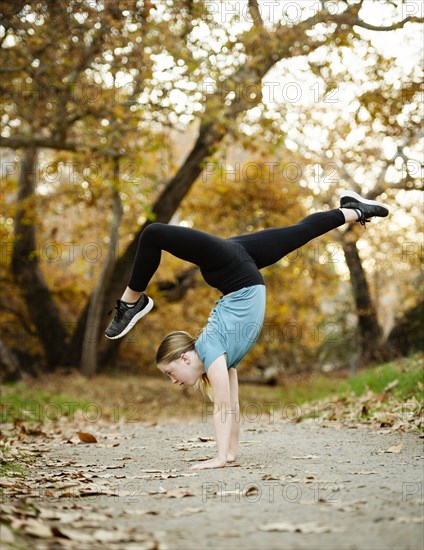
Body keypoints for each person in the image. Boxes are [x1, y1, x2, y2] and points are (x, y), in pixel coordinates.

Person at [105, 190, 389, 469]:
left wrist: (216, 458)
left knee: (153, 232)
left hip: (232, 268)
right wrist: (230, 453)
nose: (174, 381)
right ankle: (353, 210)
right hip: (237, 266)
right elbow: (234, 405)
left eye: (170, 372)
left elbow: (222, 407)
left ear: (184, 358)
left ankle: (131, 302)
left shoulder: (210, 349)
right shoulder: (223, 358)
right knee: (300, 232)